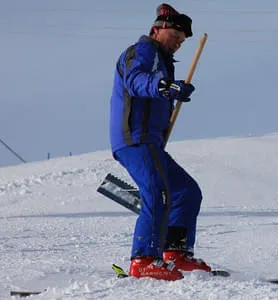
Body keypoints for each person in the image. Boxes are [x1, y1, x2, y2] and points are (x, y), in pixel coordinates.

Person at [109, 3, 211, 281]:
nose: (178, 44)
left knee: (186, 192)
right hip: (134, 139)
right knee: (157, 192)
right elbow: (136, 81)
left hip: (151, 142)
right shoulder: (143, 52)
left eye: (181, 42)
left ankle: (175, 254)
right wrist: (165, 86)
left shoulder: (162, 61)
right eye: (175, 37)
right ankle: (143, 260)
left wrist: (171, 92)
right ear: (158, 29)